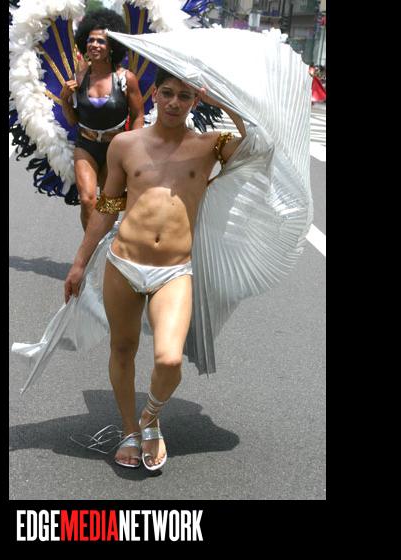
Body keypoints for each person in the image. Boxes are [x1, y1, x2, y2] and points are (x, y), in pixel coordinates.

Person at [63, 67, 246, 471]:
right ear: (155, 95)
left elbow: (256, 144)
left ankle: (150, 417)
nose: (175, 103)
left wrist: (223, 102)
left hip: (174, 271)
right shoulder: (125, 144)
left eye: (185, 96)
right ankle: (129, 430)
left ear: (195, 101)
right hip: (123, 264)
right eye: (167, 93)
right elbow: (108, 206)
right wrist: (79, 263)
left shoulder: (209, 145)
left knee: (168, 359)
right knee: (123, 348)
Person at [59, 9, 145, 231]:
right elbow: (72, 121)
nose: (94, 45)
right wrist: (64, 99)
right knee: (87, 199)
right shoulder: (78, 79)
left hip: (114, 148)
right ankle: (90, 248)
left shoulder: (126, 78)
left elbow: (138, 115)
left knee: (109, 205)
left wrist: (134, 148)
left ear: (111, 46)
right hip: (85, 145)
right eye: (90, 40)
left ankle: (104, 245)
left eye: (101, 41)